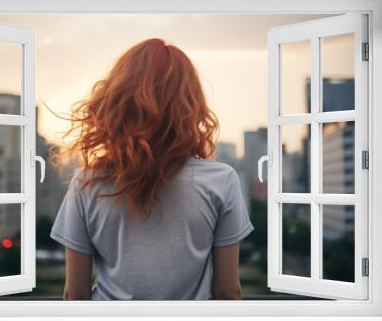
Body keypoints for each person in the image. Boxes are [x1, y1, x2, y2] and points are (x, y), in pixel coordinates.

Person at [50, 38, 254, 300]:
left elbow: (75, 294)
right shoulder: (221, 180)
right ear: (190, 104)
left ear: (119, 99)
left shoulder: (88, 181)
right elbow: (228, 291)